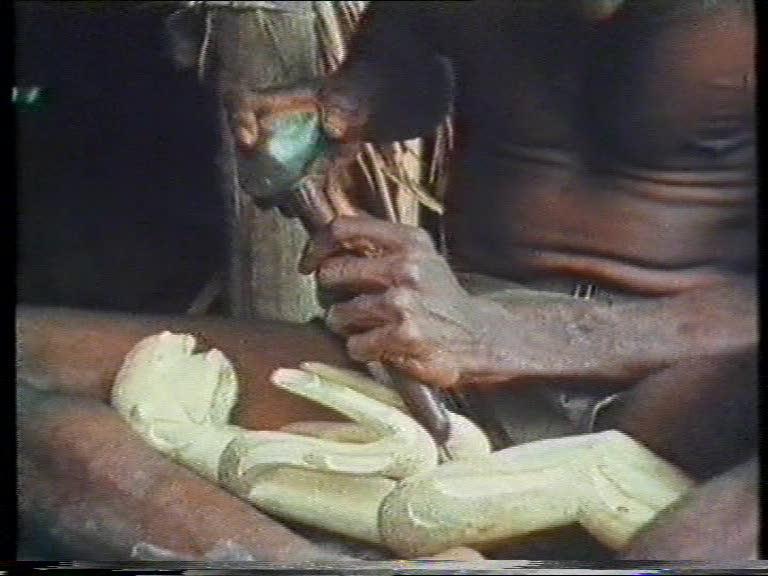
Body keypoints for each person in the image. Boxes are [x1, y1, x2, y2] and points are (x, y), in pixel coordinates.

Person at [230, 0, 758, 480]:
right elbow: (409, 55)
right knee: (146, 370)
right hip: (445, 357)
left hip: (684, 379)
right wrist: (351, 102)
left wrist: (519, 335)